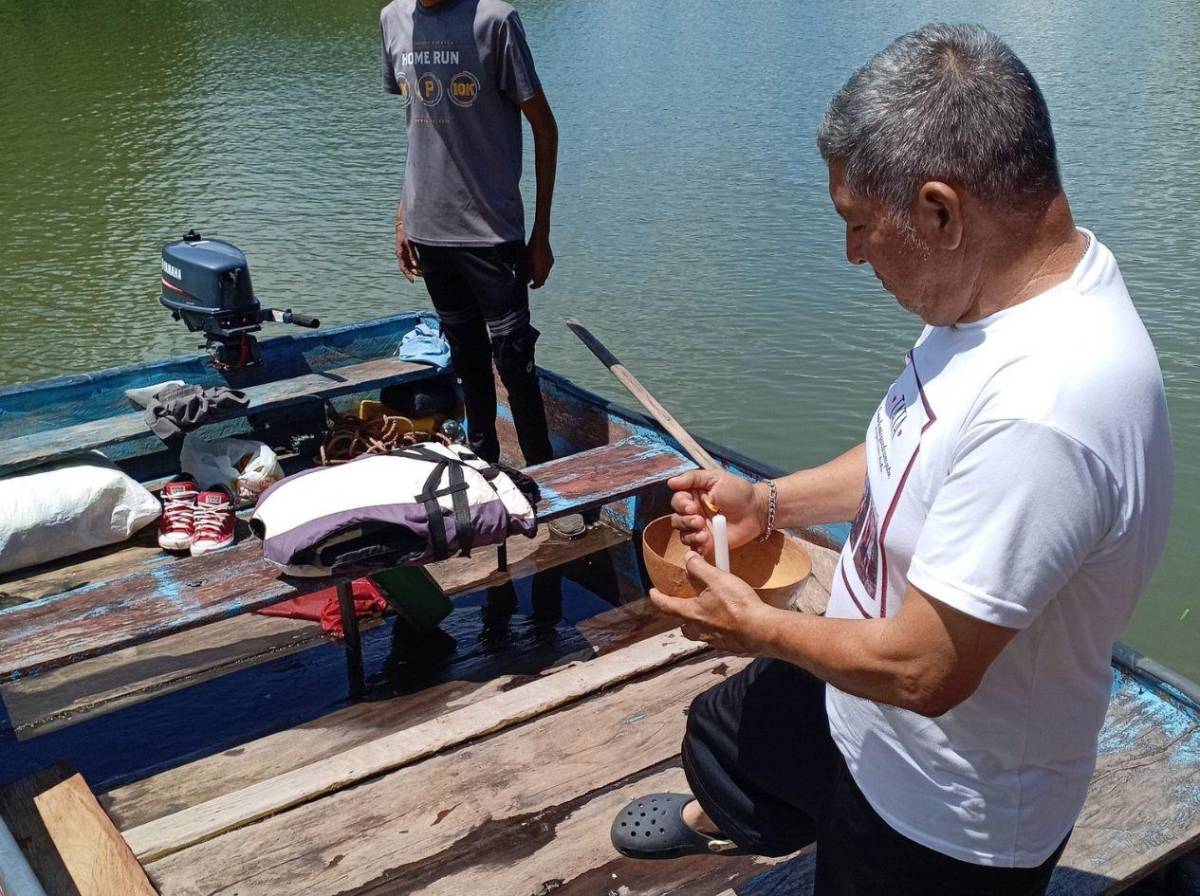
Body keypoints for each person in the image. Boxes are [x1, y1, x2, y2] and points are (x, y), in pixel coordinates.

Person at [610, 23, 1173, 896]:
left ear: (941, 212)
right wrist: (767, 503)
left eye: (860, 225)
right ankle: (737, 812)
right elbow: (904, 446)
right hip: (859, 706)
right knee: (724, 735)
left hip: (943, 818)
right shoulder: (991, 293)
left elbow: (924, 670)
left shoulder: (1047, 408)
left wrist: (751, 627)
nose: (851, 254)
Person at [381, 0, 559, 470]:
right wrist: (403, 217)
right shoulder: (392, 20)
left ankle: (547, 475)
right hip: (429, 232)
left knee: (515, 363)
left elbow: (544, 126)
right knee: (467, 359)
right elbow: (415, 125)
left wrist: (540, 234)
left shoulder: (494, 21)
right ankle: (482, 467)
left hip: (491, 234)